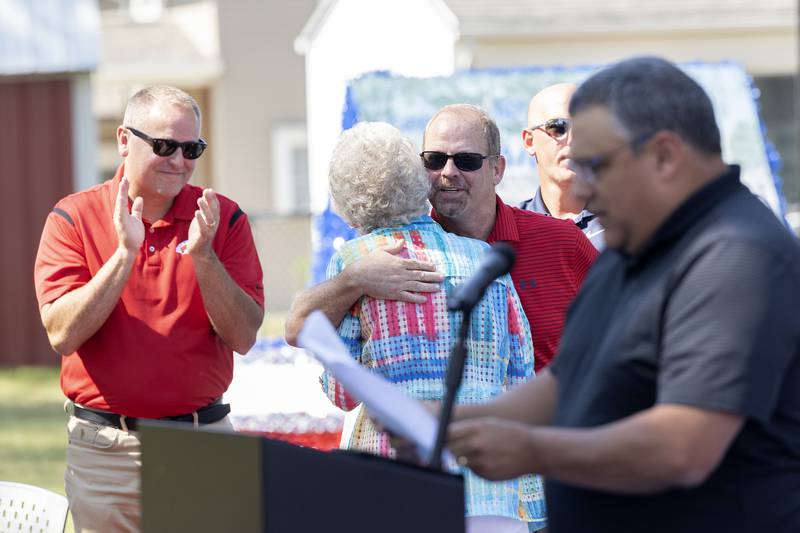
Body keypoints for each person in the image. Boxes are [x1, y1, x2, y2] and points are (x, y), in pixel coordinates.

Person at [439, 57, 800, 533]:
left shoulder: (738, 253)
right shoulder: (634, 240)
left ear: (665, 156)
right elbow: (565, 382)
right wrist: (445, 423)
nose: (582, 185)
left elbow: (682, 448)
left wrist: (531, 449)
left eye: (596, 165)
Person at [33, 86, 265, 532]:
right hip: (105, 449)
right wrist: (124, 254)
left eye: (190, 147)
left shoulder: (222, 219)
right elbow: (61, 333)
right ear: (124, 140)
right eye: (163, 146)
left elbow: (243, 336)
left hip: (203, 443)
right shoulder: (72, 218)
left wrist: (204, 257)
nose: (178, 160)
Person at [321, 121, 544, 532]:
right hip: (490, 488)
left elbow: (342, 391)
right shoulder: (482, 256)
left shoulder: (357, 262)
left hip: (396, 482)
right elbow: (521, 376)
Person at [286, 104, 597, 373]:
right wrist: (353, 281)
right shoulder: (387, 256)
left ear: (497, 169)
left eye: (466, 161)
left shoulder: (562, 243)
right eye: (434, 160)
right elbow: (297, 329)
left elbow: (626, 332)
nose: (448, 172)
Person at [520, 83, 605, 250]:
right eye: (558, 127)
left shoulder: (630, 223)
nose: (573, 139)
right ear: (529, 141)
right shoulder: (510, 228)